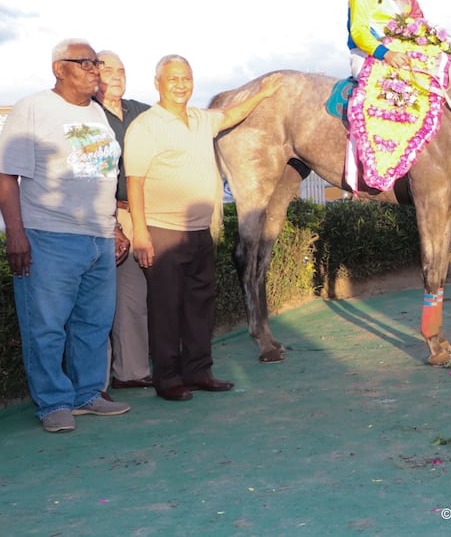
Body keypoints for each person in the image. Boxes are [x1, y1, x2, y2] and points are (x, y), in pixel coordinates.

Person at [125, 56, 282, 402]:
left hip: (198, 231)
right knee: (166, 308)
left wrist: (263, 92)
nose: (181, 84)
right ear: (157, 83)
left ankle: (199, 371)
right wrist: (139, 232)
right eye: (173, 78)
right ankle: (167, 380)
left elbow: (230, 115)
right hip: (162, 230)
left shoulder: (199, 119)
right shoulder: (146, 126)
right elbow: (134, 182)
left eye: (186, 78)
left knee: (200, 303)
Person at [0, 38, 131, 433]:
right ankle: (53, 402)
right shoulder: (33, 108)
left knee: (93, 323)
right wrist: (16, 235)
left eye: (97, 64)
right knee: (46, 326)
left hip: (98, 238)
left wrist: (115, 226)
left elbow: (101, 177)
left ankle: (87, 394)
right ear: (60, 68)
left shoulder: (96, 113)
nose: (96, 70)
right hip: (48, 235)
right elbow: (7, 175)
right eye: (87, 63)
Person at [94, 50, 153, 389]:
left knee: (136, 297)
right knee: (105, 302)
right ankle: (96, 384)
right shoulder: (88, 115)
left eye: (121, 70)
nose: (116, 75)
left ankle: (132, 372)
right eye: (107, 69)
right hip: (108, 216)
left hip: (145, 213)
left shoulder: (140, 112)